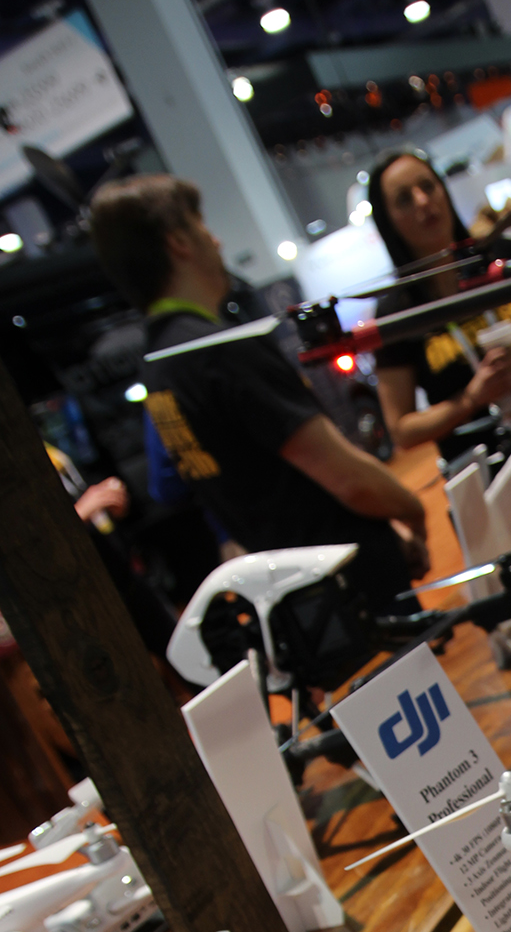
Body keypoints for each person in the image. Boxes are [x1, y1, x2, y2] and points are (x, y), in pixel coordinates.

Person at [88, 175, 429, 616]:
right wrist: (412, 509)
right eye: (201, 226)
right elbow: (349, 479)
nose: (216, 240)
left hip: (296, 599)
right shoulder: (219, 350)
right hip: (357, 587)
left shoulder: (159, 368)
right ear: (179, 242)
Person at [368, 149, 511, 456]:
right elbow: (401, 429)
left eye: (428, 186)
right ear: (388, 221)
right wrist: (470, 399)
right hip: (483, 466)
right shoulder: (396, 311)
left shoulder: (503, 258)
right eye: (404, 199)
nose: (423, 201)